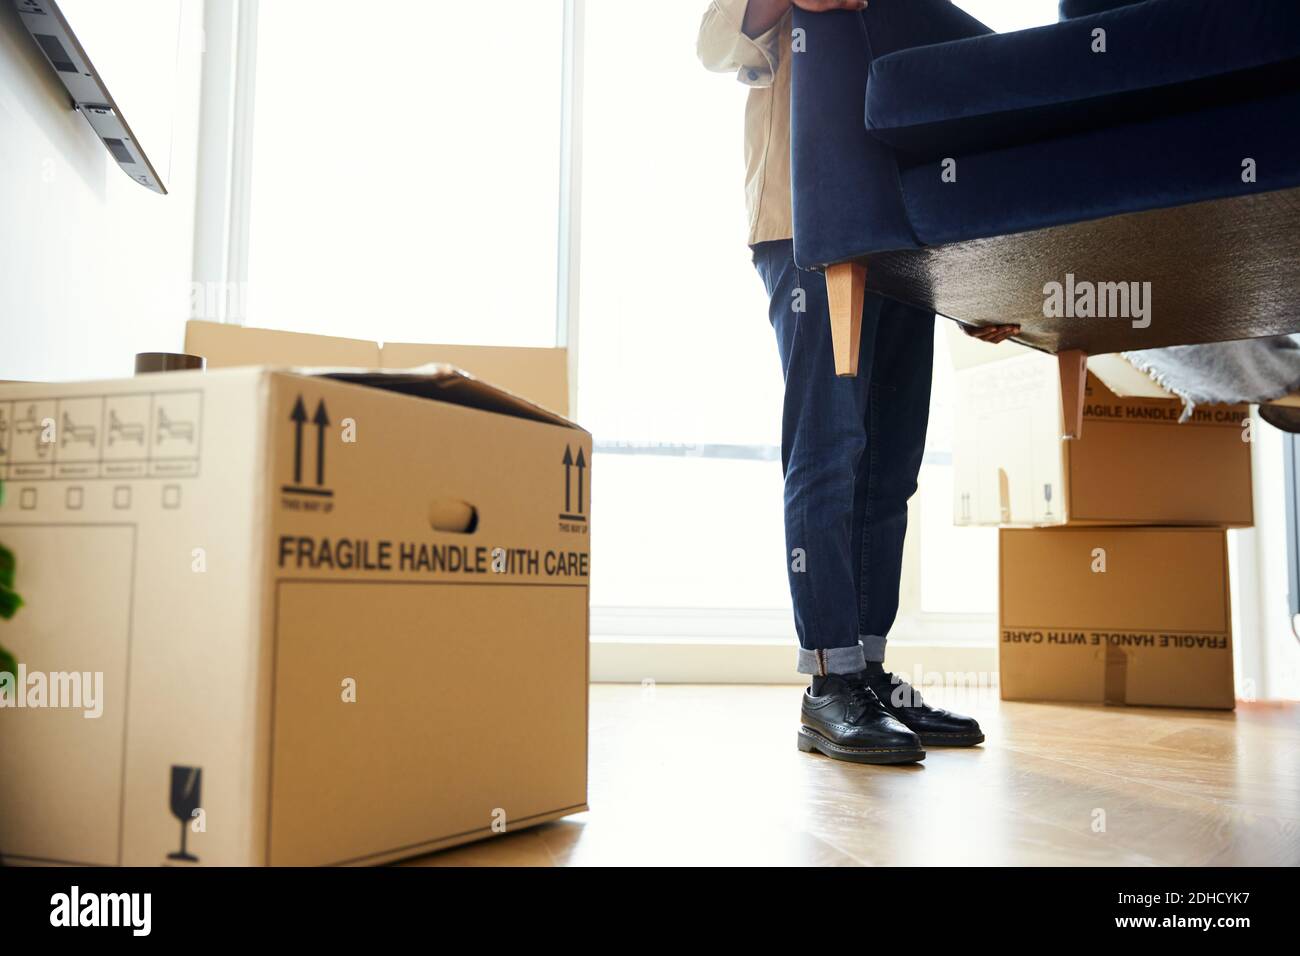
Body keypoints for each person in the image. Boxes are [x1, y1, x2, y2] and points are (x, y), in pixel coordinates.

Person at [698, 0, 1017, 764]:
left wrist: (982, 276)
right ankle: (828, 683)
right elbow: (713, 41)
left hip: (906, 234)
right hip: (804, 223)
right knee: (829, 448)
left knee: (891, 462)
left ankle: (868, 672)